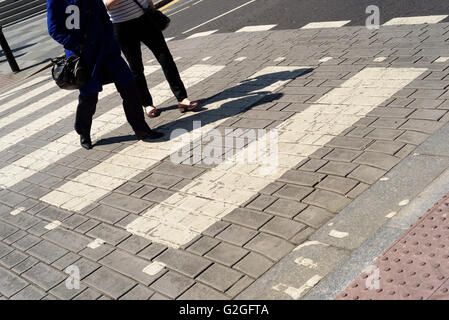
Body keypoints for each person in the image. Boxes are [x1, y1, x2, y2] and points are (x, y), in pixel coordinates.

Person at [47, 0, 164, 150]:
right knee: (89, 97)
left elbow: (104, 17)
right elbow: (54, 29)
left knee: (129, 86)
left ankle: (141, 129)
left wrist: (110, 40)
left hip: (106, 50)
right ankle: (84, 132)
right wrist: (76, 44)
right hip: (84, 55)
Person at [103, 0, 199, 117]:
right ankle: (147, 104)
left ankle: (182, 98)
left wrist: (152, 8)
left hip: (145, 19)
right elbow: (107, 5)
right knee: (136, 67)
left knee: (166, 59)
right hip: (123, 27)